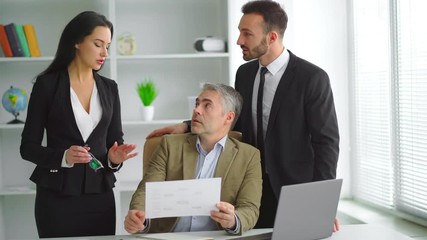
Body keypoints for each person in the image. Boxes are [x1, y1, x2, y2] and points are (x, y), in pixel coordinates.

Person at [146, 0, 340, 231]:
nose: (239, 40)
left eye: (247, 34)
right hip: (248, 188)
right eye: (240, 31)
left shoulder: (312, 78)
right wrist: (187, 126)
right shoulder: (245, 73)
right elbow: (232, 117)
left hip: (294, 190)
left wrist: (323, 202)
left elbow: (326, 143)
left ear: (272, 37)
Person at [20, 11, 138, 238]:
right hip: (57, 196)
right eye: (98, 44)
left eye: (108, 46)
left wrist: (114, 159)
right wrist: (63, 157)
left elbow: (115, 143)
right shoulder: (47, 86)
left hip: (100, 197)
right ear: (77, 42)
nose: (105, 53)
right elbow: (28, 147)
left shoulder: (110, 88)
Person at [124, 83, 262, 235]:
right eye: (197, 104)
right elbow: (147, 189)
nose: (196, 110)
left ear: (228, 117)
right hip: (171, 236)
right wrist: (138, 215)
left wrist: (234, 219)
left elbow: (250, 208)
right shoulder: (169, 145)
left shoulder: (249, 156)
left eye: (207, 106)